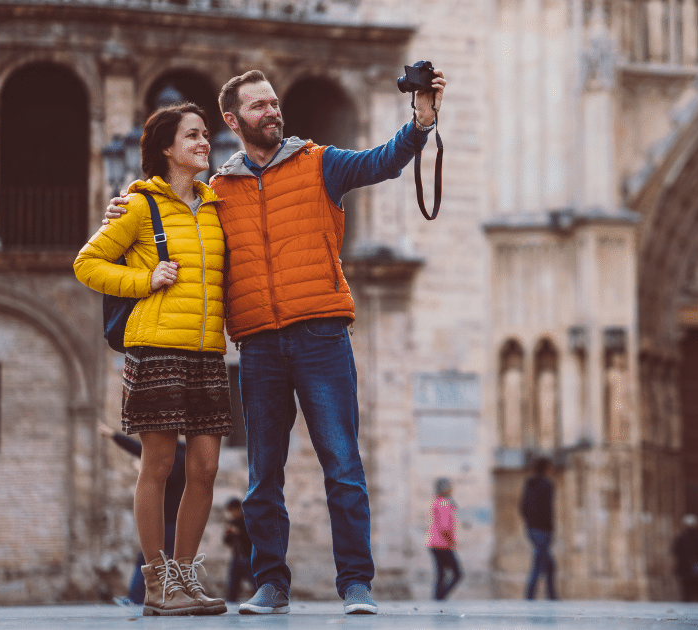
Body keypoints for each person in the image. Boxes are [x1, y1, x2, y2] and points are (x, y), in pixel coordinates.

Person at [105, 65, 446, 616]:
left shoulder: (320, 163)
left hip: (322, 335)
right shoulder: (218, 191)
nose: (272, 111)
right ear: (233, 120)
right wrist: (124, 211)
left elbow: (381, 162)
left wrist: (420, 123)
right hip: (258, 345)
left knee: (342, 465)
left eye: (274, 102)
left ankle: (356, 583)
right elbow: (171, 216)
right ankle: (271, 585)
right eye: (259, 105)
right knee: (264, 473)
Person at [75, 102, 232, 617]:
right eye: (193, 135)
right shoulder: (140, 206)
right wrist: (145, 280)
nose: (204, 142)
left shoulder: (215, 207)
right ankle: (156, 582)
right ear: (166, 147)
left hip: (208, 351)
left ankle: (184, 578)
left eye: (207, 135)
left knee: (205, 468)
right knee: (159, 464)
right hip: (157, 346)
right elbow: (87, 263)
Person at [98, 421, 187, 607]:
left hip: (173, 521)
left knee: (165, 561)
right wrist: (111, 434)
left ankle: (161, 598)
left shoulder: (180, 454)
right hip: (163, 520)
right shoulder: (163, 453)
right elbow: (136, 448)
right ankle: (138, 598)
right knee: (149, 559)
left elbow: (173, 476)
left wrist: (144, 470)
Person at [520, 457, 556, 600]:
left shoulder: (529, 484)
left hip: (531, 529)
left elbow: (523, 507)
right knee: (539, 563)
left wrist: (530, 522)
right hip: (543, 530)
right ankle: (530, 595)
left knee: (549, 565)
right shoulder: (547, 485)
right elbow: (547, 509)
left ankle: (552, 595)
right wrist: (549, 528)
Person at [426, 478, 461, 601]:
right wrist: (451, 541)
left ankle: (437, 597)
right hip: (443, 544)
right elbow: (445, 527)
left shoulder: (436, 501)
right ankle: (441, 596)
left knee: (440, 573)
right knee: (458, 574)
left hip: (433, 543)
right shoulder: (445, 503)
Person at [670, 513, 698, 602]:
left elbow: (675, 551)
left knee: (686, 593)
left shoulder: (681, 537)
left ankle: (687, 610)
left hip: (685, 569)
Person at [221, 498, 253, 602]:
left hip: (249, 558)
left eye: (233, 510)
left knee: (254, 582)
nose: (232, 513)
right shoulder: (232, 522)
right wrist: (228, 533)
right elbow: (227, 542)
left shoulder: (248, 521)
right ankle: (231, 602)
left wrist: (238, 532)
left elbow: (251, 539)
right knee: (233, 584)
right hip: (236, 558)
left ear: (239, 509)